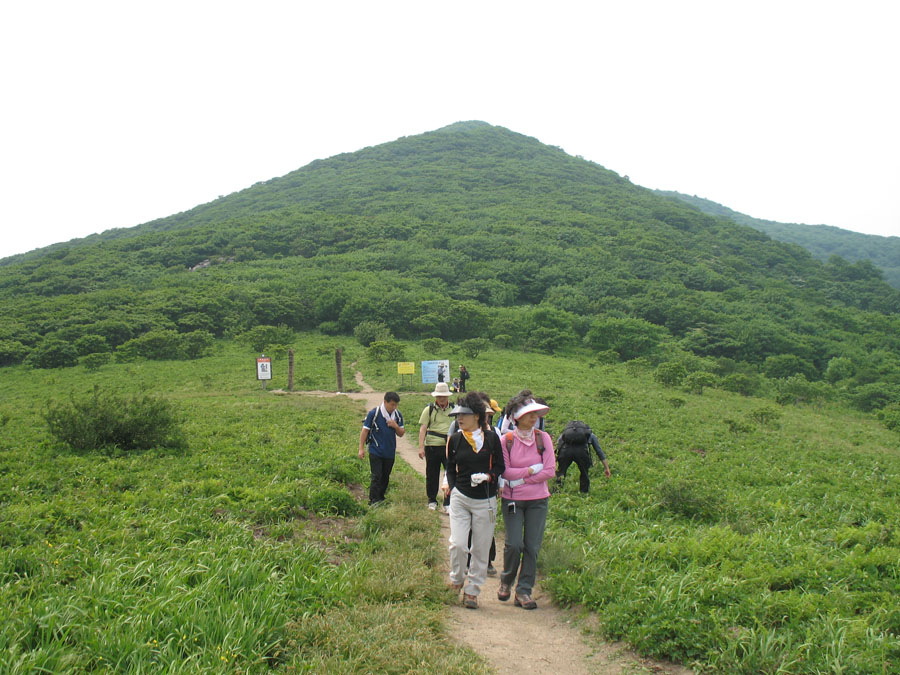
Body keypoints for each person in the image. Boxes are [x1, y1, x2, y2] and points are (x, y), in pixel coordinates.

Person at [446, 392, 504, 609]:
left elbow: (500, 467)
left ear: (478, 416)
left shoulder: (491, 439)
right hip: (461, 497)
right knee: (458, 544)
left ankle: (472, 591)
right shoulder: (456, 439)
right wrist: (452, 488)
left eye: (465, 415)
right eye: (458, 415)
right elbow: (450, 467)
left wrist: (489, 477)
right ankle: (457, 579)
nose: (460, 419)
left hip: (486, 500)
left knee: (480, 548)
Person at [498, 394, 554, 610]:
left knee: (532, 546)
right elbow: (505, 471)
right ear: (516, 418)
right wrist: (531, 470)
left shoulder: (543, 438)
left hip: (538, 500)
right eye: (529, 415)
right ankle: (506, 580)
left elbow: (549, 470)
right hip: (512, 500)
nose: (534, 418)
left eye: (535, 414)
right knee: (514, 544)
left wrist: (520, 478)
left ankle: (524, 591)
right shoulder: (507, 441)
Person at [358, 392, 405, 506]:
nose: (394, 407)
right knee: (376, 475)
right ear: (385, 402)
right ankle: (373, 500)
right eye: (392, 404)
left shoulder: (397, 415)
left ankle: (380, 497)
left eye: (396, 405)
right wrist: (361, 448)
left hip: (389, 451)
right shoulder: (374, 413)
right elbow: (365, 431)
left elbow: (401, 433)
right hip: (376, 450)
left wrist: (395, 426)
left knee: (385, 476)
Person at [418, 382, 453, 511]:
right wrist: (421, 447)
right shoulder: (429, 409)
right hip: (432, 446)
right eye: (439, 396)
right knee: (432, 474)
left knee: (450, 475)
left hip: (449, 446)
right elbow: (423, 429)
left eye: (443, 396)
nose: (441, 399)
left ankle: (447, 502)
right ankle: (432, 500)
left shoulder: (454, 409)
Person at [555, 420, 611, 493]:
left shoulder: (566, 433)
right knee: (584, 472)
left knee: (561, 471)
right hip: (581, 453)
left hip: (566, 451)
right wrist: (606, 468)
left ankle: (557, 490)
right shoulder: (590, 434)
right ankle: (584, 492)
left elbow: (558, 443)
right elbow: (599, 451)